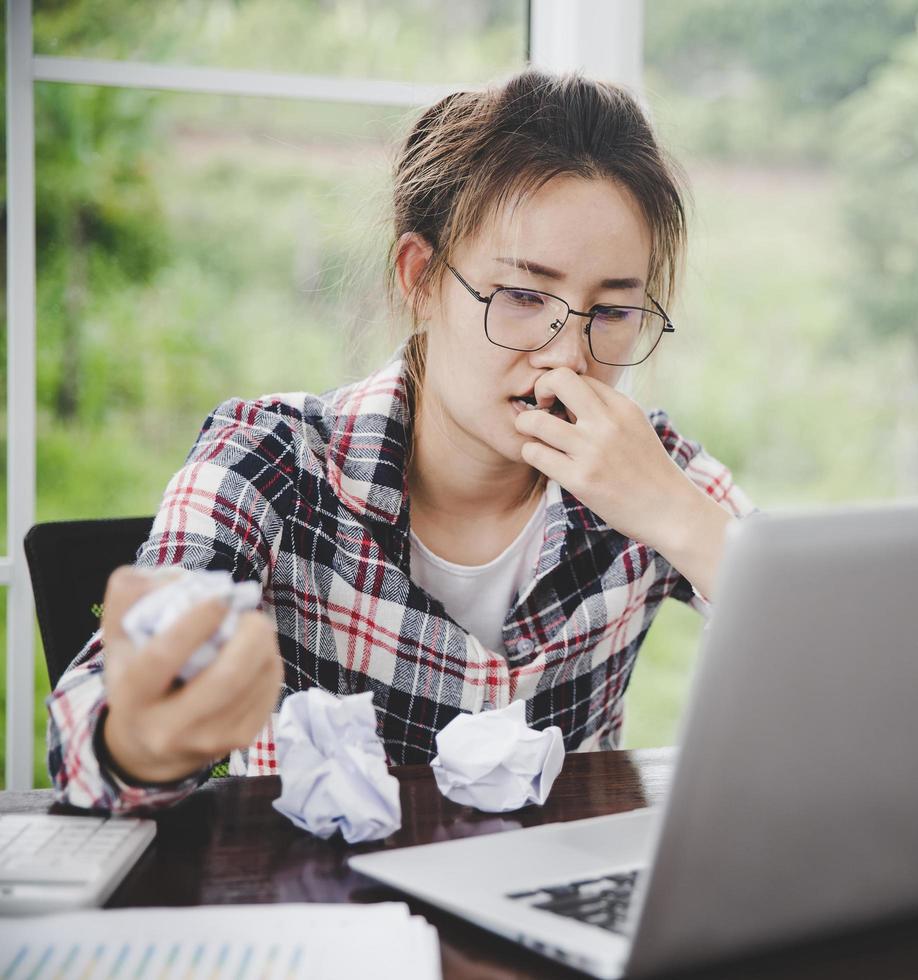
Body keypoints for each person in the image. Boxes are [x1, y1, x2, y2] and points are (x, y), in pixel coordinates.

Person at [46, 69, 753, 813]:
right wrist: (142, 743)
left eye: (611, 312)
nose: (568, 357)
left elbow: (852, 656)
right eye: (521, 297)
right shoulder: (269, 459)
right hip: (324, 908)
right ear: (420, 277)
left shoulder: (651, 471)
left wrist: (678, 519)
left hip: (555, 907)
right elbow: (84, 741)